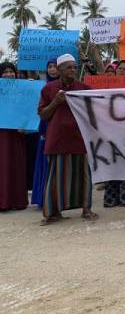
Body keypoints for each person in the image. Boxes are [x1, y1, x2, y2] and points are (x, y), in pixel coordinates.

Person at [37, 54, 98, 224]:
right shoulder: (49, 89)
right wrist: (56, 102)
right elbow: (43, 114)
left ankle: (86, 209)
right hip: (57, 139)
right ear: (60, 69)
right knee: (55, 178)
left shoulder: (84, 89)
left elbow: (95, 109)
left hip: (80, 138)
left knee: (83, 175)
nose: (73, 70)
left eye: (75, 67)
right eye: (69, 67)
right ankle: (53, 213)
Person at [101, 60, 125, 208]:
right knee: (112, 163)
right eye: (119, 68)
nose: (121, 71)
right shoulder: (106, 85)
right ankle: (111, 198)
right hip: (110, 130)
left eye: (124, 69)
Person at [0, 62, 28, 211]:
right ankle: (3, 202)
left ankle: (18, 201)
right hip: (2, 134)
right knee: (3, 165)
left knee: (16, 165)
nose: (9, 74)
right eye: (5, 72)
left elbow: (28, 109)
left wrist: (26, 125)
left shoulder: (23, 90)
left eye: (11, 71)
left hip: (17, 133)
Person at [31, 60, 59, 208]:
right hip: (44, 127)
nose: (52, 70)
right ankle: (42, 197)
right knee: (44, 160)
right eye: (50, 67)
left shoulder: (65, 86)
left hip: (59, 128)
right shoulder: (40, 86)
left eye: (55, 66)